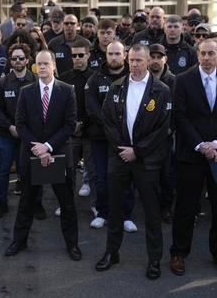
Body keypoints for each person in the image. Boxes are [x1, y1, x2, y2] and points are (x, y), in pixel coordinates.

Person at [96, 44, 171, 280]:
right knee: (115, 208)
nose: (135, 65)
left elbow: (162, 129)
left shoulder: (161, 90)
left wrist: (137, 151)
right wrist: (124, 149)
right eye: (132, 60)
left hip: (146, 161)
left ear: (149, 61)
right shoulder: (116, 87)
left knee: (151, 212)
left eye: (139, 60)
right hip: (119, 158)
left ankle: (154, 259)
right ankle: (112, 252)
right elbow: (107, 121)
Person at [4, 50, 81, 261]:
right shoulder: (26, 92)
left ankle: (72, 244)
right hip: (31, 154)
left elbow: (69, 125)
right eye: (39, 64)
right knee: (26, 202)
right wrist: (37, 147)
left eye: (47, 63)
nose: (43, 67)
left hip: (59, 155)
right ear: (35, 67)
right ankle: (19, 241)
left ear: (54, 65)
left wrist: (47, 146)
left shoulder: (67, 91)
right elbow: (20, 124)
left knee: (67, 204)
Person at [170, 38, 217, 276]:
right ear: (197, 55)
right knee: (186, 207)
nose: (207, 57)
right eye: (203, 53)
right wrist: (201, 145)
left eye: (211, 53)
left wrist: (215, 144)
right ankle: (178, 253)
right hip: (191, 153)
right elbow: (180, 117)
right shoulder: (183, 80)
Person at [85, 41, 136, 231]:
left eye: (117, 53)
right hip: (100, 137)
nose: (113, 57)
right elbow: (92, 108)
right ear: (105, 55)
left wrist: (121, 130)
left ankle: (126, 215)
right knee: (101, 177)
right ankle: (103, 212)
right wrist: (111, 126)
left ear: (124, 55)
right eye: (110, 53)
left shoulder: (132, 77)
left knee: (126, 177)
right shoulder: (95, 78)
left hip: (125, 139)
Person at [0, 44, 36, 218]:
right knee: (3, 170)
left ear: (27, 59)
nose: (18, 61)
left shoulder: (35, 81)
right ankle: (2, 203)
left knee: (30, 171)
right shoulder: (2, 83)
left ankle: (33, 204)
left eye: (21, 58)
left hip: (29, 136)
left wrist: (26, 129)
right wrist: (10, 126)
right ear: (10, 60)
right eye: (14, 58)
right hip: (6, 135)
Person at [59, 38, 97, 204]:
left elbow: (97, 106)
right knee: (69, 170)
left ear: (88, 55)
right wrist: (72, 125)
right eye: (74, 55)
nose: (77, 58)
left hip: (90, 131)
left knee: (93, 171)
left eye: (81, 55)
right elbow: (60, 106)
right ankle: (67, 204)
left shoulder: (95, 77)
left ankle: (97, 207)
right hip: (70, 132)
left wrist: (83, 124)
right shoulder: (65, 78)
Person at [148, 44, 175, 224]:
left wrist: (170, 128)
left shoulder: (173, 81)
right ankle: (151, 208)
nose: (156, 60)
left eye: (159, 56)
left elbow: (178, 109)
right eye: (153, 56)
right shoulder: (143, 79)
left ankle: (165, 208)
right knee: (149, 175)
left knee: (166, 175)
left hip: (166, 136)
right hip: (147, 136)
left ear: (165, 59)